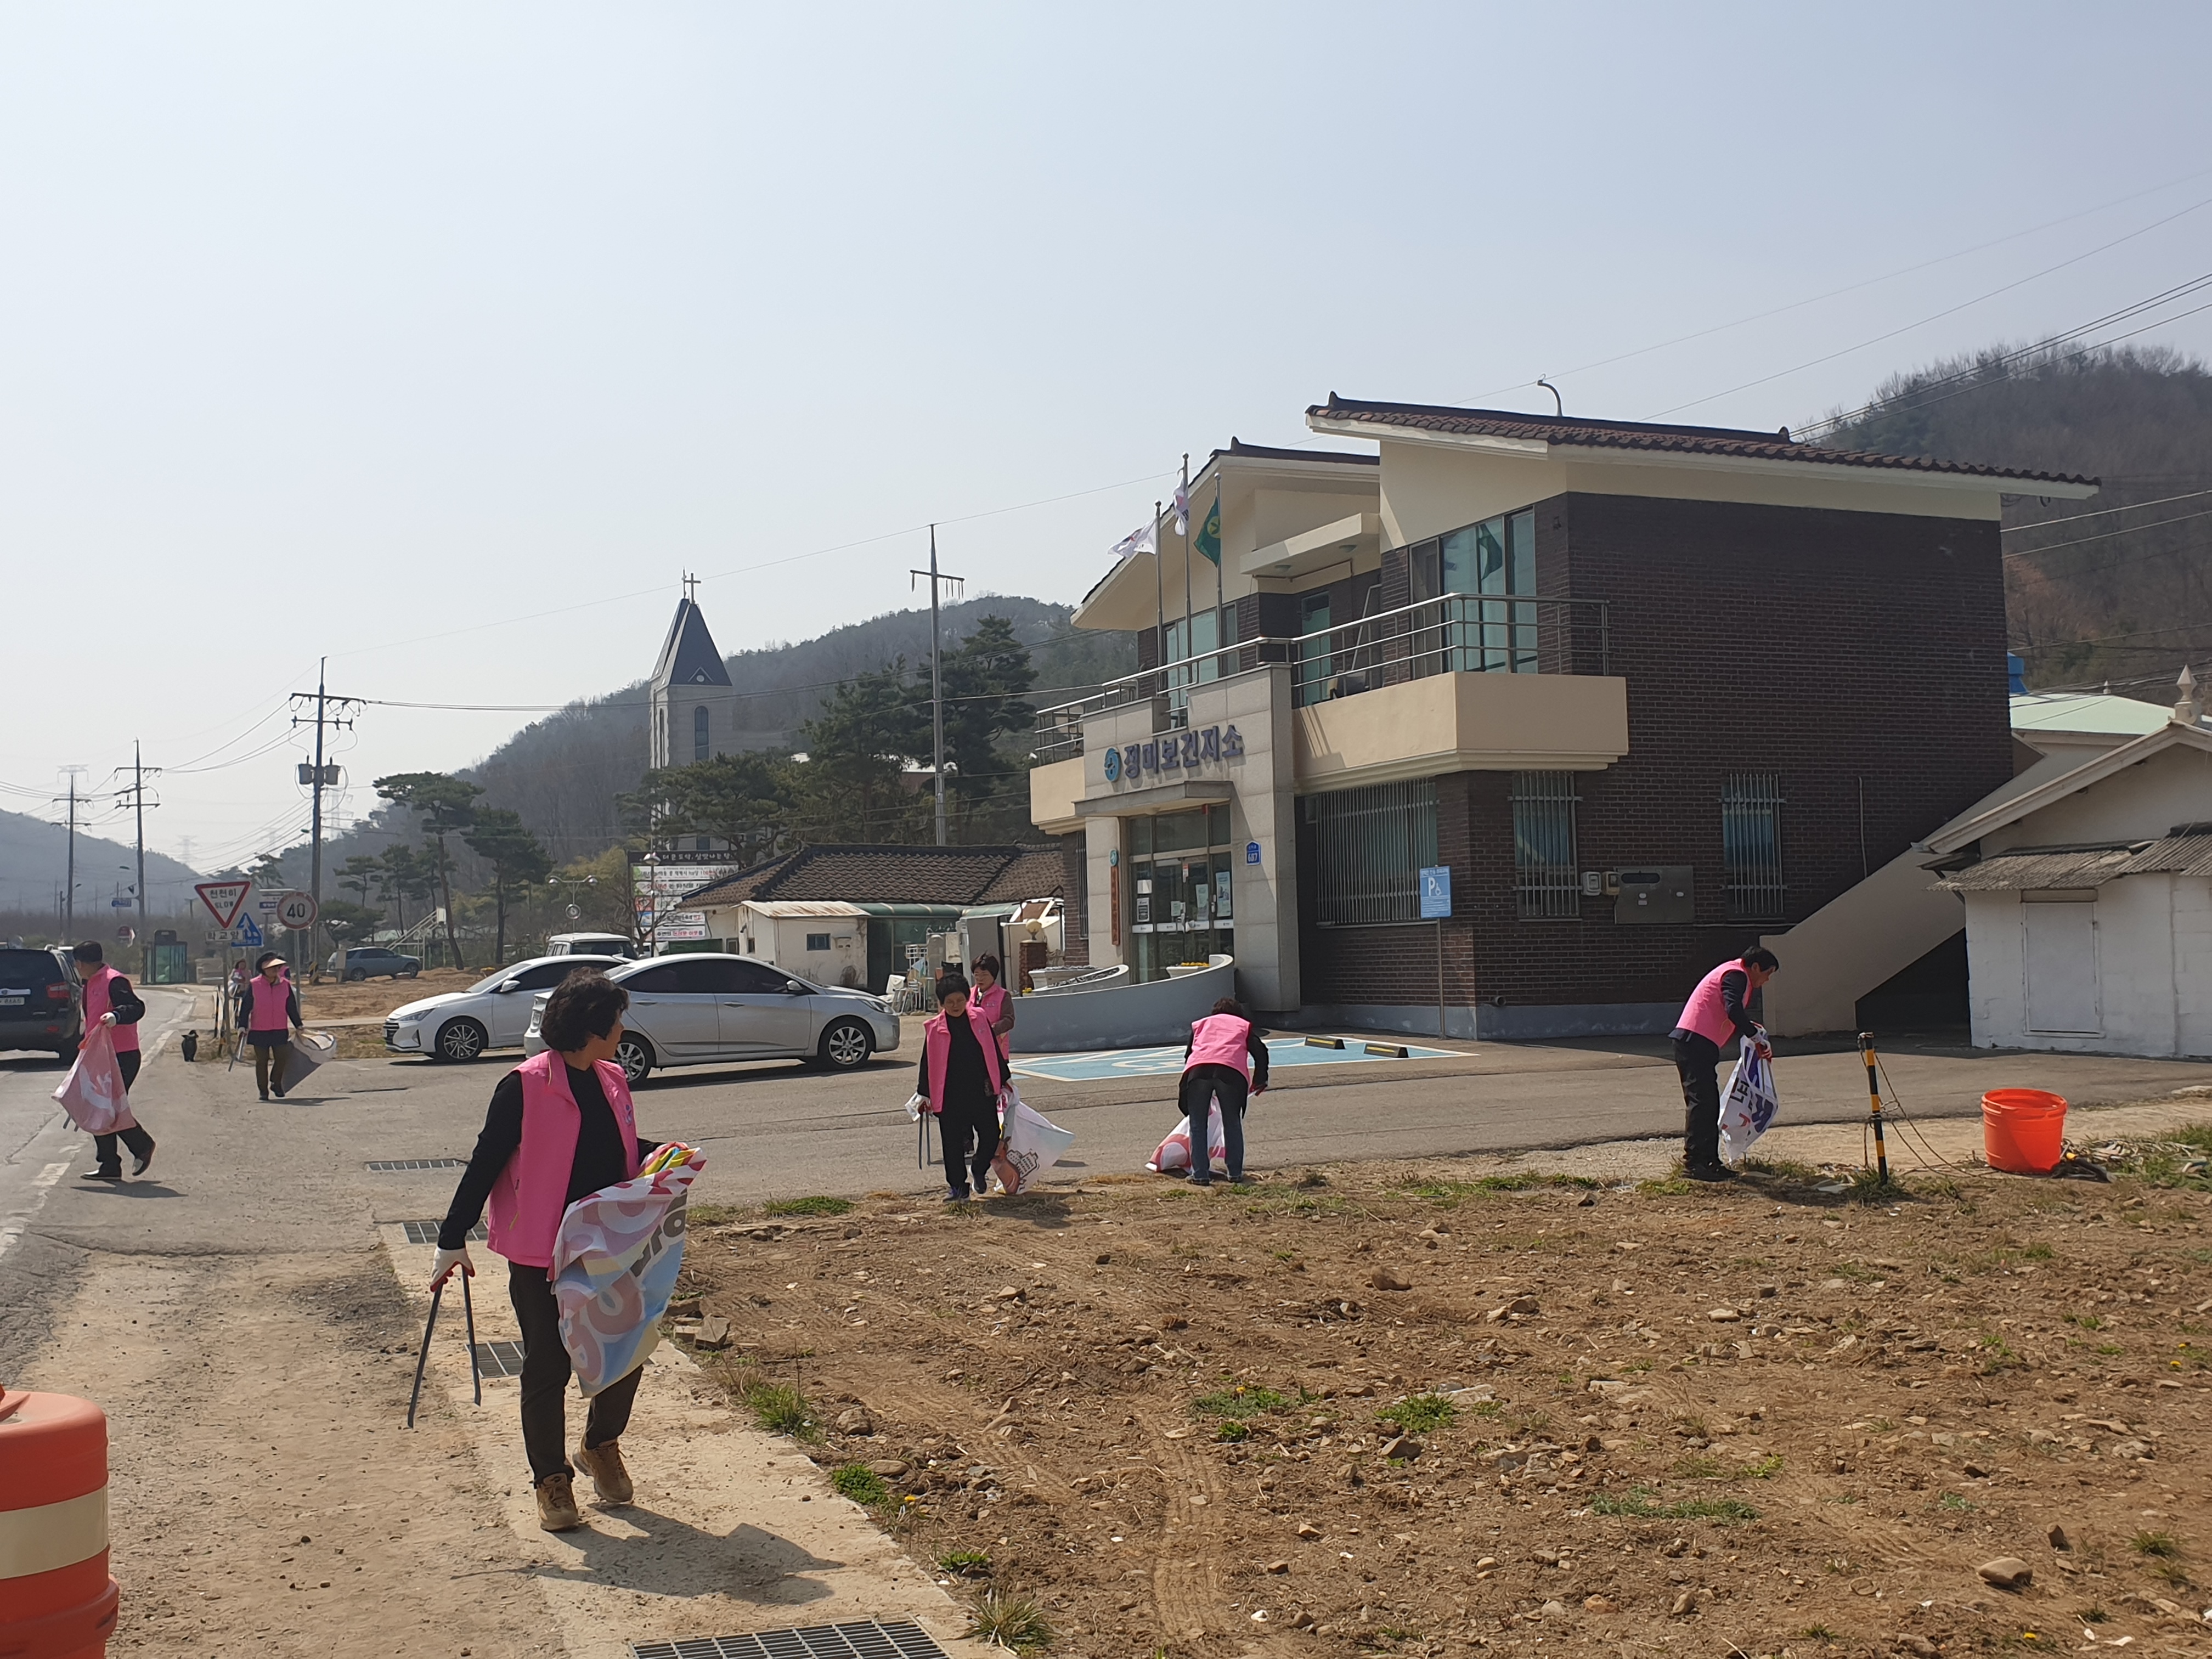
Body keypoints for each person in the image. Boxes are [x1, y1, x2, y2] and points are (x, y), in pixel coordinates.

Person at [431, 970, 660, 1533]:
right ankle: (551, 1480)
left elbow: (615, 1149)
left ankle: (600, 1443)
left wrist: (663, 1155)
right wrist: (450, 1238)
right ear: (593, 1026)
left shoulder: (611, 1077)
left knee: (625, 1351)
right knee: (549, 1364)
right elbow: (486, 1160)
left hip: (611, 1243)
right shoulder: (526, 1085)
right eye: (617, 1020)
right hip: (543, 1252)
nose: (623, 1029)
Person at [1671, 947, 1780, 1181]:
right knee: (1702, 1103)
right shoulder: (1737, 975)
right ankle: (1696, 1163)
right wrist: (1755, 1036)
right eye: (1768, 973)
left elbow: (1731, 1010)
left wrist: (1752, 1030)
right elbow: (1733, 1009)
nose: (1767, 980)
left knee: (1708, 1103)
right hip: (1695, 1041)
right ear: (1756, 967)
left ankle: (1709, 1161)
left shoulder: (1733, 972)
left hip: (1698, 1042)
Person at [915, 972, 1004, 1203]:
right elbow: (928, 1061)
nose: (955, 1006)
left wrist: (1005, 1078)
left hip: (980, 1090)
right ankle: (957, 1188)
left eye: (960, 1000)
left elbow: (992, 1049)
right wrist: (923, 1093)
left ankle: (979, 1167)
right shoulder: (934, 1028)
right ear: (941, 1004)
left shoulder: (980, 1018)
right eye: (949, 1002)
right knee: (952, 1144)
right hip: (950, 1093)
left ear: (967, 998)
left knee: (991, 1134)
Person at [74, 941, 155, 1181]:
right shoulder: (89, 984)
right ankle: (109, 1164)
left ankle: (141, 1145)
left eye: (77, 964)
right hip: (97, 1055)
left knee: (106, 1106)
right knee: (97, 1106)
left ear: (82, 963)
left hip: (122, 1055)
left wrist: (117, 1016)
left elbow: (136, 1007)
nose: (77, 968)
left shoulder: (114, 981)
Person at [1177, 996, 1269, 1187]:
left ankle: (1200, 1174)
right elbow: (1260, 1052)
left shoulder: (1201, 1024)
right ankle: (1235, 1173)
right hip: (1230, 1072)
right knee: (1232, 1122)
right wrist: (1261, 1079)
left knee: (1198, 1124)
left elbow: (1189, 1054)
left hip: (1198, 1070)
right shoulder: (1243, 1026)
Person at [242, 953, 306, 1099]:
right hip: (259, 1030)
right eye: (271, 968)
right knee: (262, 1061)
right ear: (263, 969)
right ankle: (263, 1091)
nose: (274, 970)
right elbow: (245, 1008)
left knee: (282, 1058)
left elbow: (291, 1007)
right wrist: (242, 1025)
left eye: (277, 967)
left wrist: (299, 1025)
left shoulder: (285, 985)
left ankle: (276, 1083)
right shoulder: (254, 985)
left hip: (279, 1029)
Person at [969, 953, 1016, 1060]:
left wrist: (989, 1031)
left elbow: (1009, 1020)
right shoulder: (968, 994)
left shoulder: (1003, 995)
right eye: (976, 974)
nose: (980, 978)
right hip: (973, 1051)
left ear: (993, 976)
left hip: (997, 1050)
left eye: (984, 975)